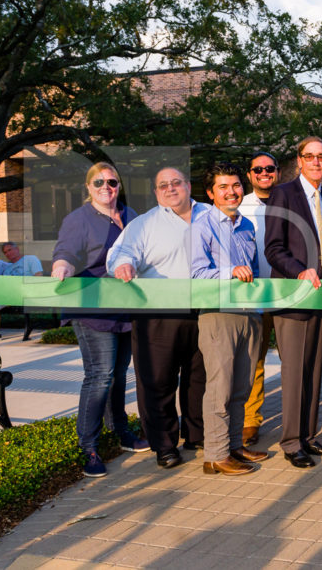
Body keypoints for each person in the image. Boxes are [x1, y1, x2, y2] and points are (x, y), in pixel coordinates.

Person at [51, 163, 148, 477]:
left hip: (125, 310)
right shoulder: (78, 219)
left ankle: (119, 431)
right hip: (92, 310)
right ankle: (89, 447)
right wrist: (62, 268)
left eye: (112, 181)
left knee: (119, 375)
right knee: (100, 375)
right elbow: (65, 252)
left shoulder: (131, 215)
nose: (106, 187)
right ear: (88, 187)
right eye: (99, 182)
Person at [107, 167, 207, 470]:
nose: (170, 188)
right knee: (158, 381)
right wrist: (124, 265)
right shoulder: (144, 223)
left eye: (176, 182)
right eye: (163, 185)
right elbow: (120, 252)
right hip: (157, 313)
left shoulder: (210, 215)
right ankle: (164, 445)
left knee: (199, 378)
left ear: (188, 186)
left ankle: (197, 434)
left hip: (203, 310)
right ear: (156, 192)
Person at [264, 136, 322, 468]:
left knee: (313, 369)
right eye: (309, 156)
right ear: (299, 160)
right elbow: (273, 248)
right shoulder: (282, 194)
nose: (315, 162)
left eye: (321, 157)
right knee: (295, 371)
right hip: (293, 295)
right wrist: (299, 272)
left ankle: (308, 436)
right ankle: (291, 441)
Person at [191, 161, 269, 476]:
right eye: (223, 187)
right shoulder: (201, 226)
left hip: (248, 315)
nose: (231, 192)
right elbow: (196, 273)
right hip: (218, 315)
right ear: (211, 193)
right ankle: (215, 455)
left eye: (236, 185)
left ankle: (234, 447)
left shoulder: (247, 225)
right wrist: (230, 273)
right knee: (220, 387)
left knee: (242, 387)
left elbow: (255, 270)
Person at [238, 152, 278, 446]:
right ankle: (250, 419)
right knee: (255, 360)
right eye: (258, 169)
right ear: (250, 175)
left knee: (295, 359)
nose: (264, 173)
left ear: (277, 172)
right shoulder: (241, 208)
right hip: (257, 294)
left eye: (270, 168)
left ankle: (298, 416)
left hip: (289, 292)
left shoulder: (289, 202)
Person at [0, 241, 44, 339]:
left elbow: (38, 276)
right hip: (13, 296)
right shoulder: (8, 268)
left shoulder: (30, 259)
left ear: (17, 249)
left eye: (9, 250)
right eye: (5, 252)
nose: (8, 253)